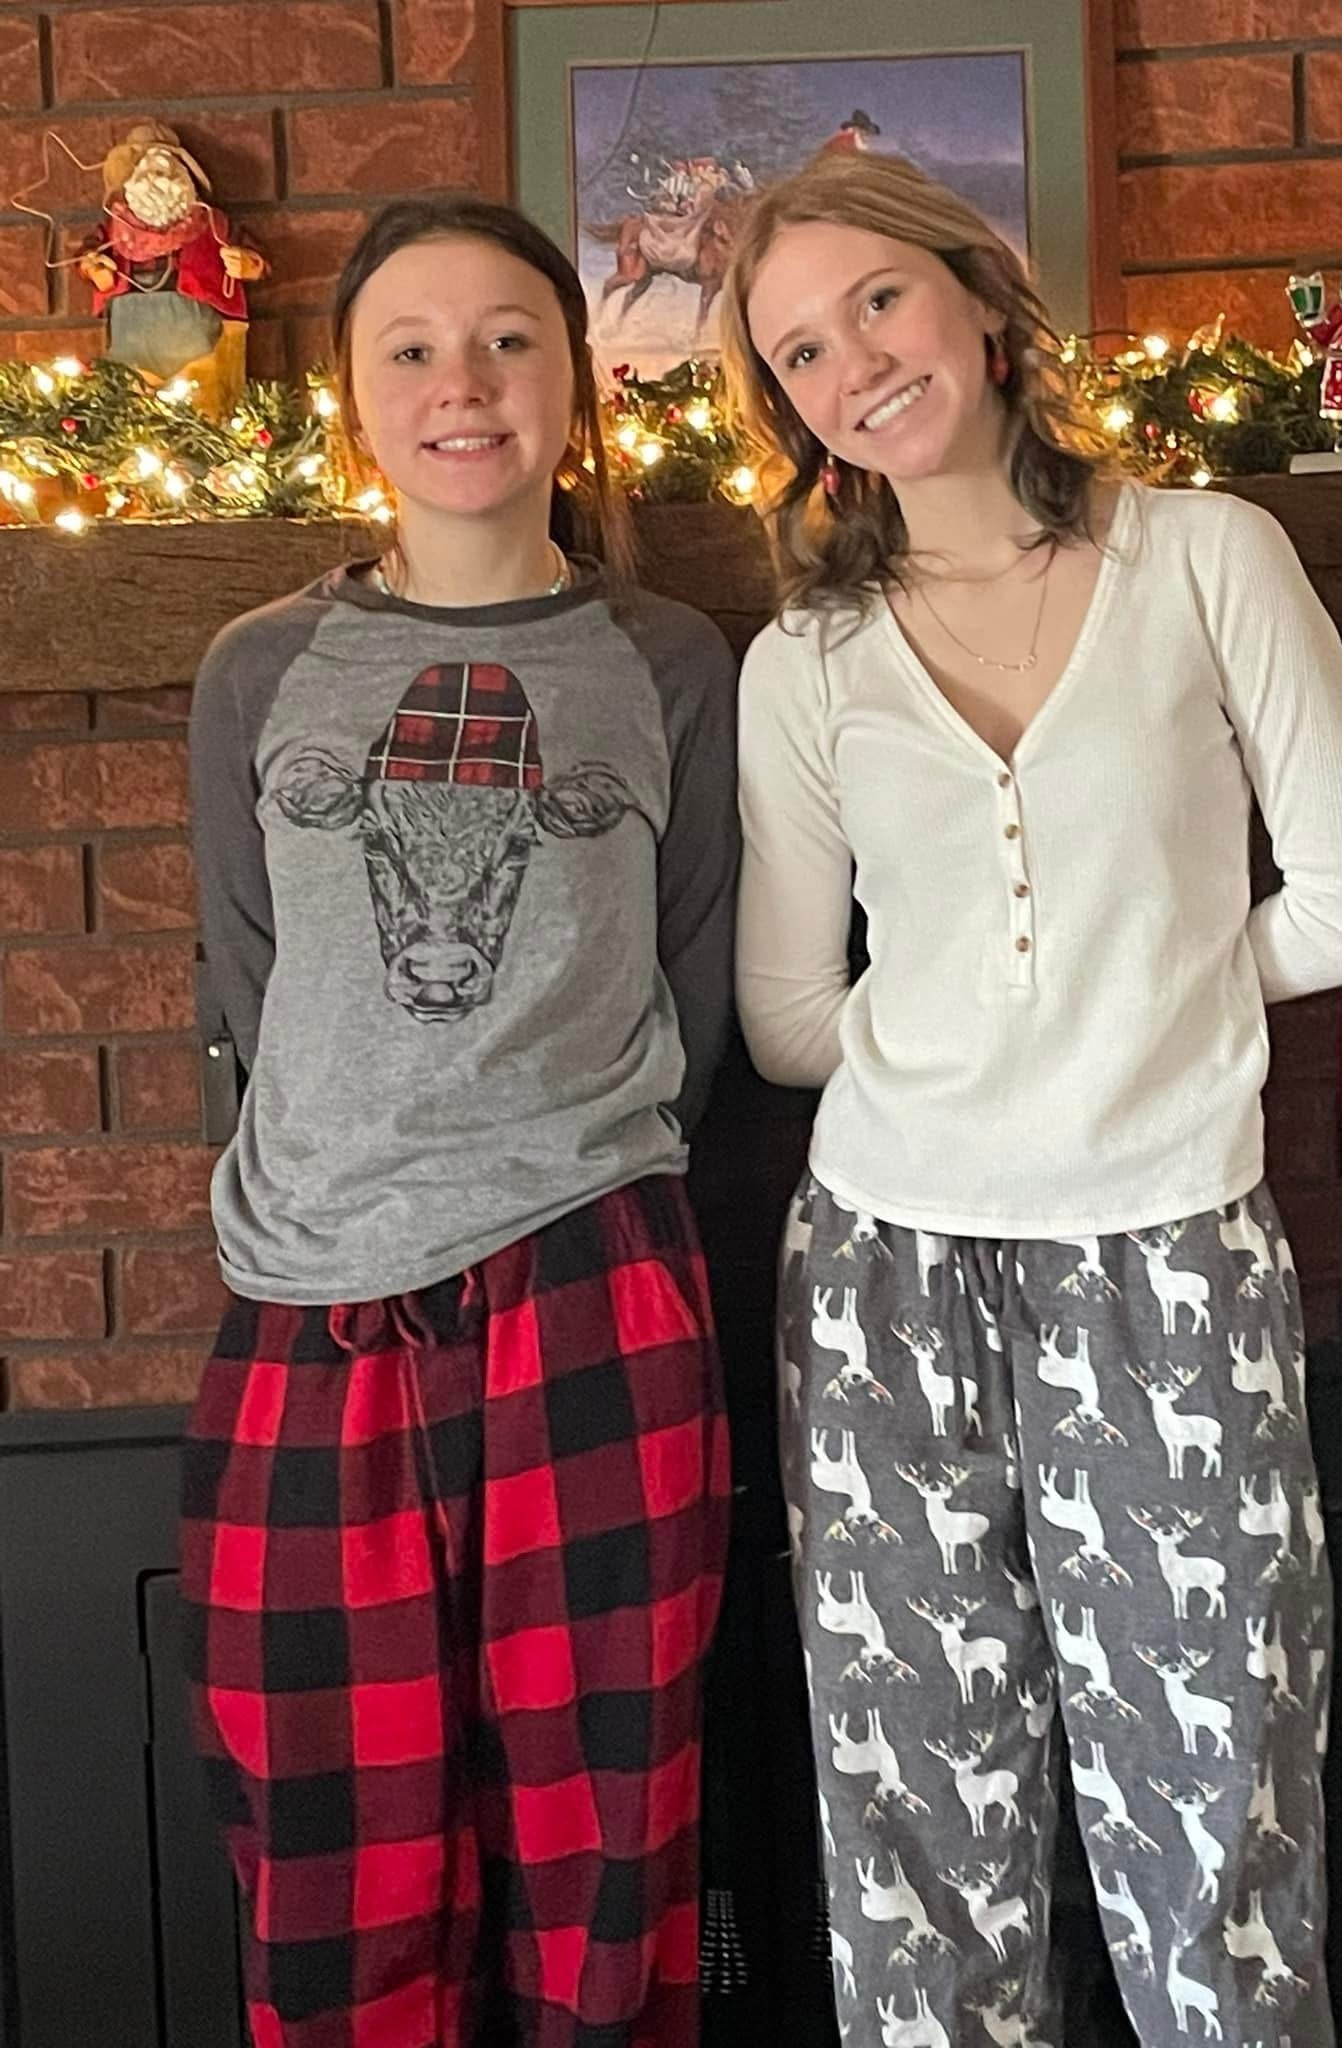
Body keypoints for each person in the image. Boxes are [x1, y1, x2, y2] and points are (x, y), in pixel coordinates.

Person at [718, 152, 1342, 2048]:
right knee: (918, 1843)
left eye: (876, 299)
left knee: (1219, 1816)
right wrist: (988, 1042)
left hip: (1168, 1254)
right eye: (799, 349)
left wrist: (1133, 1012)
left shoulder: (1206, 558)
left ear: (979, 296)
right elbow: (788, 1016)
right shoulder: (806, 661)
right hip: (880, 1280)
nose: (852, 361)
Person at [180, 194, 738, 2048]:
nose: (463, 384)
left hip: (592, 1288)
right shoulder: (261, 670)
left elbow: (696, 977)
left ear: (577, 382)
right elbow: (247, 979)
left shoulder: (670, 663)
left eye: (509, 340)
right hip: (311, 1304)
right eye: (410, 348)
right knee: (330, 1847)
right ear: (351, 394)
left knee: (607, 1840)